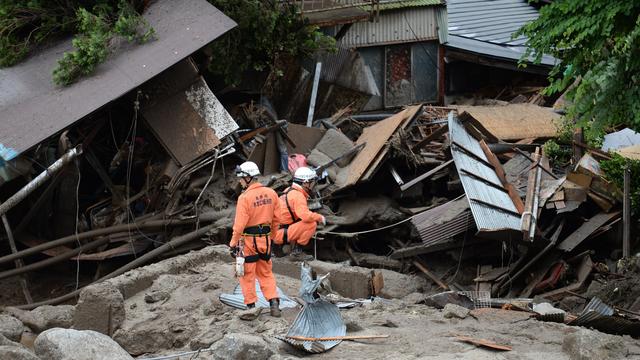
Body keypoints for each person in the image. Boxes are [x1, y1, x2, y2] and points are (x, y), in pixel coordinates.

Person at [229, 161, 282, 317]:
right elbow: (277, 219)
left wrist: (233, 243)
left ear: (248, 178)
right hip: (265, 240)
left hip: (249, 242)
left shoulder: (244, 198)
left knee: (247, 275)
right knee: (266, 273)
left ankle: (251, 306)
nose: (239, 181)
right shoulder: (272, 193)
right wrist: (271, 238)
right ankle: (274, 304)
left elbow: (239, 225)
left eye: (241, 177)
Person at [274, 166, 326, 259]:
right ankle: (297, 253)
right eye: (311, 182)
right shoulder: (298, 195)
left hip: (275, 231)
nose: (312, 185)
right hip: (278, 233)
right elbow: (305, 216)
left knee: (300, 220)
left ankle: (281, 247)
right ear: (305, 182)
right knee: (311, 224)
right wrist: (319, 217)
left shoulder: (288, 190)